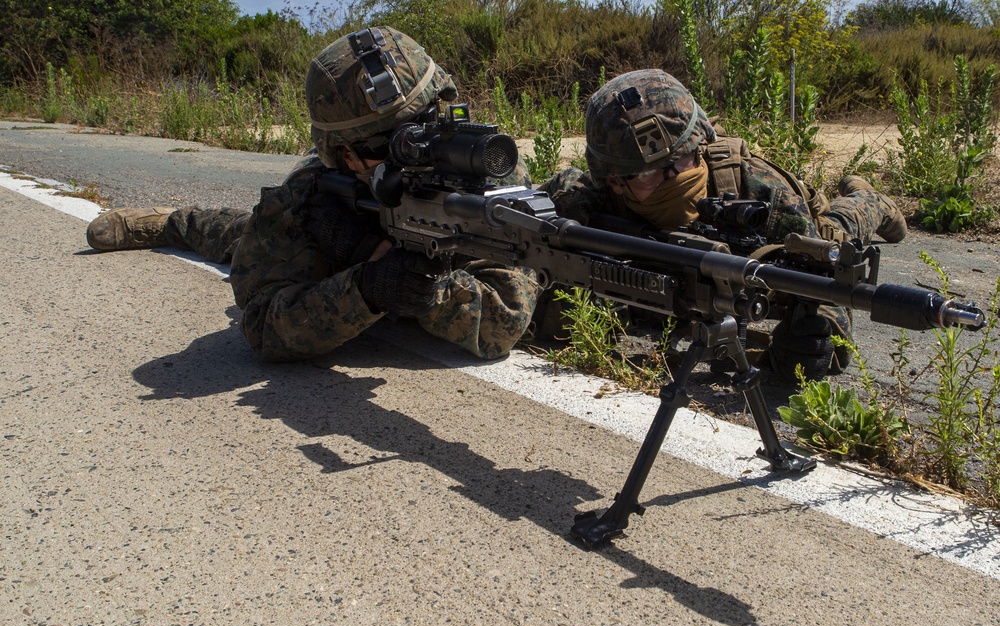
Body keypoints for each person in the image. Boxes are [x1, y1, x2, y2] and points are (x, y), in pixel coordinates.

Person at [86, 27, 541, 362]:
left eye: (431, 122)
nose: (420, 152)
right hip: (324, 228)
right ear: (345, 156)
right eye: (387, 146)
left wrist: (425, 287)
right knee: (237, 233)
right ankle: (171, 220)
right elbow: (263, 325)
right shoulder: (310, 196)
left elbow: (503, 323)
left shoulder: (482, 171)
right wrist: (364, 287)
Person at [539, 69, 908, 382]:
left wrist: (816, 335)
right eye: (650, 173)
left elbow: (828, 291)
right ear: (614, 180)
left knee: (835, 230)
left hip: (797, 226)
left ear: (700, 145)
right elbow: (559, 189)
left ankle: (868, 196)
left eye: (682, 160)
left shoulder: (763, 190)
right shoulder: (599, 195)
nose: (672, 178)